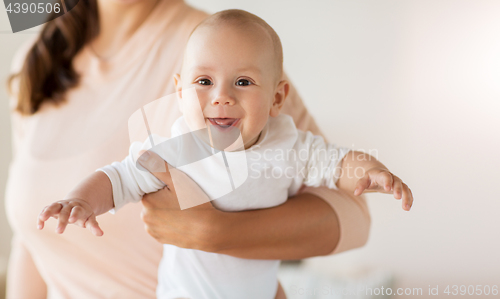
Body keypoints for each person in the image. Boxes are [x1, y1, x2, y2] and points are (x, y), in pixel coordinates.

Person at [4, 0, 405, 298]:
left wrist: (218, 232)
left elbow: (353, 214)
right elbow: (33, 235)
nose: (221, 95)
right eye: (202, 85)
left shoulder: (223, 45)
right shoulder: (36, 57)